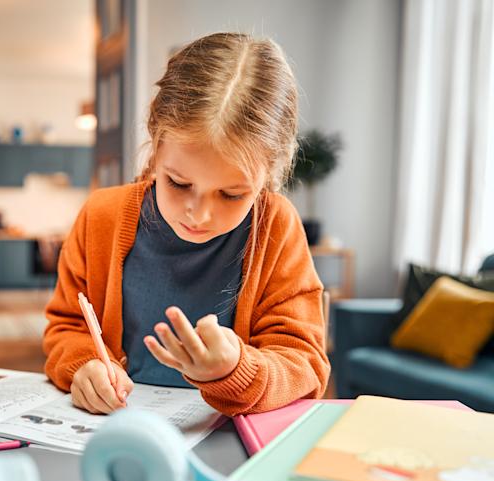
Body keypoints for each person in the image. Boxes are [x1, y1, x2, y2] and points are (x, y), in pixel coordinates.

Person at [43, 32, 330, 416]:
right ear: (155, 145)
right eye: (178, 183)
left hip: (228, 443)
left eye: (232, 194)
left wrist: (236, 371)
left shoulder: (276, 228)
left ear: (269, 176)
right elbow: (66, 327)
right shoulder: (101, 217)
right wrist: (84, 366)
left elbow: (304, 362)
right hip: (116, 430)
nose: (200, 214)